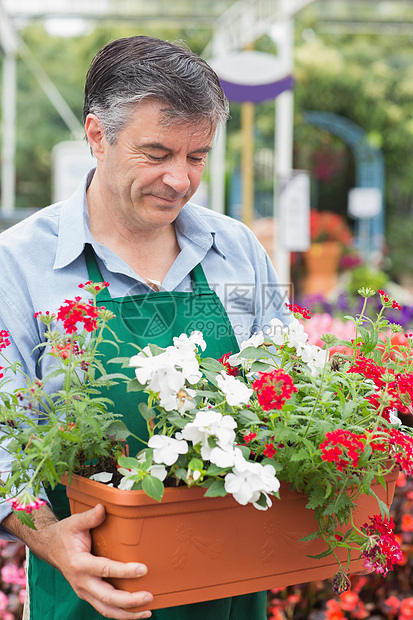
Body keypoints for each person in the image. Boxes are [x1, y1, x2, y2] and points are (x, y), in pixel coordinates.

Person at [0, 36, 290, 620]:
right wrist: (52, 541)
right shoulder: (21, 266)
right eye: (156, 154)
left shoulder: (234, 251)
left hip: (230, 583)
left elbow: (286, 372)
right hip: (95, 589)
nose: (180, 180)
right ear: (98, 135)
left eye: (197, 156)